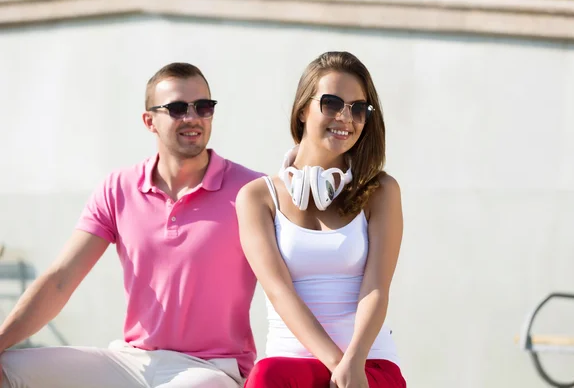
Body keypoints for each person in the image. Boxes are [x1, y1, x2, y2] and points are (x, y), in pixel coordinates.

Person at [0, 62, 263, 388]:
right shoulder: (118, 188)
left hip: (209, 369)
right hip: (130, 361)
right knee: (6, 368)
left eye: (204, 107)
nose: (193, 117)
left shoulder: (253, 190)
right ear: (149, 121)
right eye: (178, 108)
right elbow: (60, 280)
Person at [236, 51, 406, 388]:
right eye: (332, 103)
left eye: (359, 108)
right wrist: (336, 364)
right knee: (266, 377)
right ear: (302, 110)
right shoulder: (257, 197)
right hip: (287, 370)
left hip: (368, 363)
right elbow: (279, 291)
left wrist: (353, 362)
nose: (346, 117)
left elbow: (376, 289)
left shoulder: (381, 191)